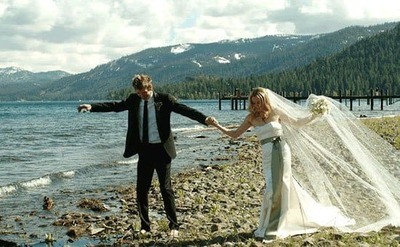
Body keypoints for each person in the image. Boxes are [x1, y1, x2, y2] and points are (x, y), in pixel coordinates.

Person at [209, 87, 400, 241]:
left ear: (265, 100)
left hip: (282, 151)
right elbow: (234, 134)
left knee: (279, 187)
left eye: (258, 102)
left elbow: (298, 122)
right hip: (268, 154)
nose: (256, 106)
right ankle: (276, 222)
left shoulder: (276, 111)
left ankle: (273, 227)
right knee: (275, 187)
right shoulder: (251, 118)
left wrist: (316, 114)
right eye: (253, 103)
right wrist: (217, 125)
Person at [78, 74, 215, 237]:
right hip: (144, 150)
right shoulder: (134, 100)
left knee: (165, 189)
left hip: (162, 150)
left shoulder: (165, 100)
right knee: (142, 189)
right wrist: (91, 107)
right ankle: (145, 226)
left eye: (145, 91)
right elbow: (114, 106)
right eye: (140, 92)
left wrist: (204, 119)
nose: (143, 95)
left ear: (151, 86)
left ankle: (174, 226)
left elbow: (185, 110)